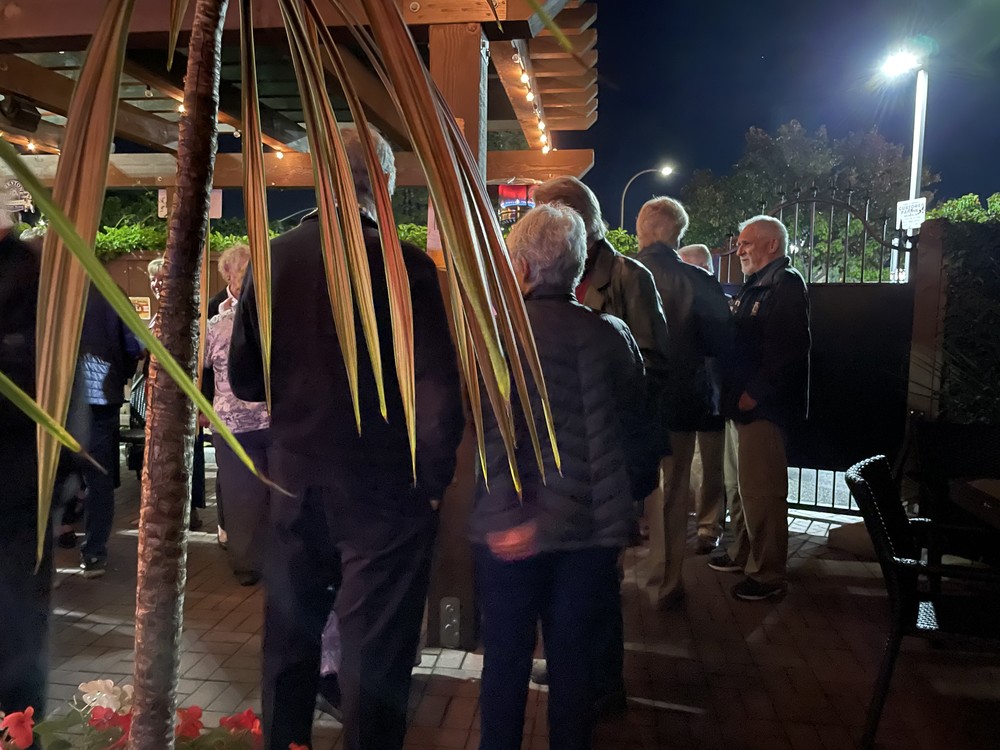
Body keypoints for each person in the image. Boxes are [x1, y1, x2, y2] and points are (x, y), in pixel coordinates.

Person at [230, 125, 464, 750]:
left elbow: (246, 380)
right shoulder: (404, 265)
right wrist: (433, 483)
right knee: (375, 653)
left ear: (319, 178)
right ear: (383, 183)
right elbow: (437, 391)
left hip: (295, 480)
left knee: (289, 639)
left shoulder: (271, 258)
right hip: (384, 489)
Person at [470, 204, 658, 750]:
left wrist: (503, 516)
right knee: (574, 664)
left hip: (513, 529)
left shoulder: (496, 336)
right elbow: (639, 432)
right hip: (591, 534)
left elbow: (487, 436)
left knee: (504, 659)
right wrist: (628, 507)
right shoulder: (612, 335)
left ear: (523, 268)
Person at [530, 175, 670, 713]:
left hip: (605, 452)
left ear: (579, 222)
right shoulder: (551, 273)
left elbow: (653, 365)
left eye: (549, 218)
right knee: (567, 567)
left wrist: (596, 390)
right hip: (561, 454)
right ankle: (571, 663)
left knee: (601, 574)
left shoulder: (630, 276)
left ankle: (604, 682)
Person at [634, 198, 732, 610]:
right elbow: (722, 343)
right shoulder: (698, 280)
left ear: (643, 229)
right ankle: (665, 582)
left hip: (631, 403)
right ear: (677, 234)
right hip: (681, 400)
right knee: (673, 492)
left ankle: (612, 581)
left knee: (625, 488)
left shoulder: (621, 274)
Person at [709, 215, 811, 601]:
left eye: (747, 243)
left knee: (762, 493)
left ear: (773, 245)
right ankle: (743, 554)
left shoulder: (785, 283)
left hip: (762, 409)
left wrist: (755, 393)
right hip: (742, 406)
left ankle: (768, 575)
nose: (739, 250)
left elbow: (789, 348)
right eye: (739, 243)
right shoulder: (757, 284)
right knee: (741, 489)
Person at [0, 204, 50, 720]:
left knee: (18, 629)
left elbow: (48, 373)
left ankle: (21, 728)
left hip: (20, 481)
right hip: (26, 476)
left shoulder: (30, 273)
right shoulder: (35, 272)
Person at [201, 244, 269, 586]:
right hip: (273, 419)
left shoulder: (216, 325)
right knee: (274, 492)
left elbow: (199, 367)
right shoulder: (276, 320)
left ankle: (246, 563)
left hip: (231, 423)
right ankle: (277, 560)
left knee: (241, 495)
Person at [76, 286, 142, 578]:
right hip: (102, 394)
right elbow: (134, 346)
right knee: (98, 476)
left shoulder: (45, 286)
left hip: (51, 398)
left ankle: (44, 553)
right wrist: (120, 374)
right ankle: (94, 553)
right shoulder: (109, 290)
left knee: (47, 472)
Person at [145, 257, 205, 530]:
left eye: (162, 278)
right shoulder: (156, 315)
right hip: (158, 396)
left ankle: (188, 509)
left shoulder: (185, 312)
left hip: (182, 396)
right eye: (153, 279)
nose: (157, 284)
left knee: (185, 452)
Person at [678, 244, 727, 554]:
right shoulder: (713, 299)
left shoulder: (712, 300)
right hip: (700, 394)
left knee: (708, 464)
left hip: (708, 394)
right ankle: (703, 525)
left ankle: (707, 526)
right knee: (701, 464)